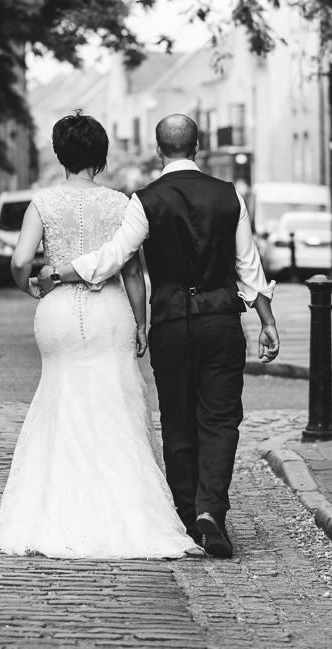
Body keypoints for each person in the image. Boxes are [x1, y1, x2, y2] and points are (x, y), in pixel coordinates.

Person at [42, 114, 280, 559]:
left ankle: (189, 517)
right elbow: (249, 267)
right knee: (221, 419)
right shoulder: (229, 196)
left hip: (172, 325)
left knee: (177, 421)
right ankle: (213, 510)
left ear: (158, 150)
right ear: (197, 147)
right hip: (222, 322)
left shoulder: (145, 200)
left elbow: (114, 257)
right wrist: (266, 320)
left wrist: (60, 272)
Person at [0, 113, 198, 560]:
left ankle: (56, 513)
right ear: (101, 157)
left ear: (60, 155)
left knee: (61, 397)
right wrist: (141, 322)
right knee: (113, 403)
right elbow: (135, 270)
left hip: (59, 311)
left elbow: (21, 259)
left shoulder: (43, 203)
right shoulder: (120, 203)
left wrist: (27, 287)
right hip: (109, 311)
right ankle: (128, 515)